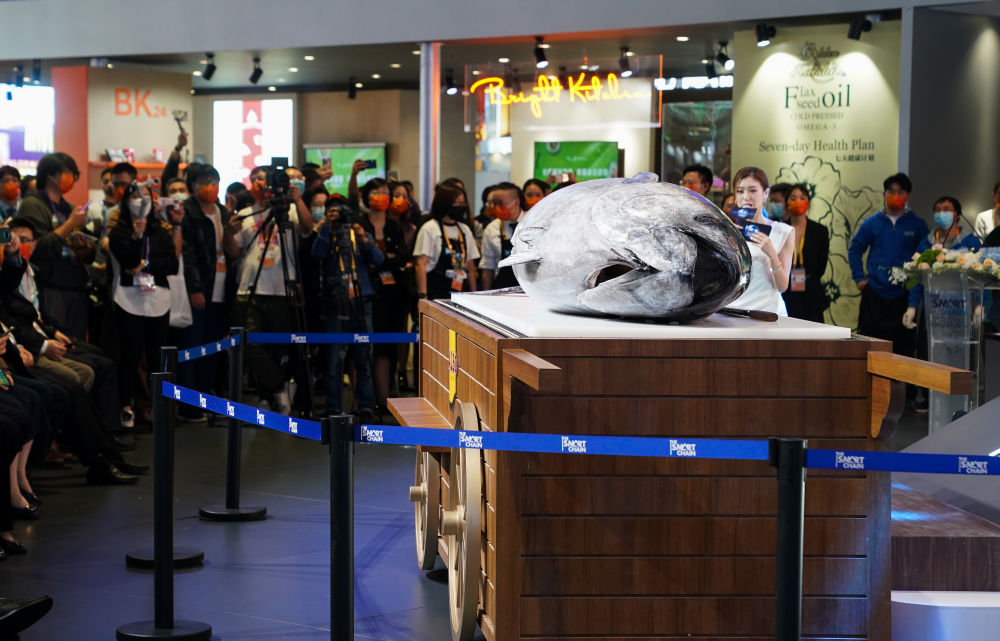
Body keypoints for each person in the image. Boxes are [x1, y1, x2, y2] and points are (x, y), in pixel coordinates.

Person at [224, 165, 314, 414]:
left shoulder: (290, 211)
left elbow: (308, 227)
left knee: (279, 349)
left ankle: (268, 397)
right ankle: (277, 389)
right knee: (251, 344)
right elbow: (233, 252)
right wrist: (229, 233)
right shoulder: (245, 214)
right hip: (249, 287)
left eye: (263, 178)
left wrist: (297, 200)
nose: (259, 183)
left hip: (282, 289)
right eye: (254, 179)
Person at [108, 182, 183, 430]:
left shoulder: (160, 231)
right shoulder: (119, 232)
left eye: (146, 197)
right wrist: (137, 237)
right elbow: (129, 261)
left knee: (157, 356)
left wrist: (147, 264)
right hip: (128, 298)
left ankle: (158, 405)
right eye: (135, 196)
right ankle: (125, 406)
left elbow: (172, 265)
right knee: (129, 355)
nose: (141, 201)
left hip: (158, 298)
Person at [312, 197, 382, 420]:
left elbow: (378, 259)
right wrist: (326, 227)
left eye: (339, 210)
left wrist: (363, 238)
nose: (337, 214)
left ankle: (366, 406)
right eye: (331, 210)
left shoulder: (357, 233)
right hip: (336, 301)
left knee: (364, 358)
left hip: (361, 301)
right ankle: (333, 406)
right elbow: (316, 254)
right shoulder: (327, 234)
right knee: (334, 360)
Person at [848, 172, 929, 356]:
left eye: (900, 192)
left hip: (903, 294)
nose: (895, 196)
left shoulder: (917, 224)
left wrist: (914, 299)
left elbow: (922, 261)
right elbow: (855, 249)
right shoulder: (872, 223)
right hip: (874, 293)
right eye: (891, 191)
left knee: (903, 349)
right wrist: (859, 278)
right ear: (884, 194)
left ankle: (899, 376)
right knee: (870, 346)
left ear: (908, 195)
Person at [16, 152, 92, 339]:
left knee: (78, 344)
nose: (72, 178)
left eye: (74, 174)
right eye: (68, 172)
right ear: (51, 174)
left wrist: (82, 246)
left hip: (76, 284)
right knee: (58, 343)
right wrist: (70, 224)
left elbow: (90, 256)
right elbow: (38, 248)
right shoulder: (32, 204)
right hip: (50, 287)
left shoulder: (69, 207)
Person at [177, 166, 230, 420]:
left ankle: (206, 397)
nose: (210, 186)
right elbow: (188, 255)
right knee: (192, 346)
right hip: (200, 289)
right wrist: (195, 288)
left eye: (214, 181)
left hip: (222, 287)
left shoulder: (223, 212)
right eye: (203, 181)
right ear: (193, 185)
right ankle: (188, 404)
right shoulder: (188, 212)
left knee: (213, 346)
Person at [359, 178, 409, 412]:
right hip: (368, 291)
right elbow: (364, 258)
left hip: (393, 291)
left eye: (385, 192)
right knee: (368, 346)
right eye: (377, 192)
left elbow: (401, 257)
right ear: (367, 196)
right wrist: (385, 258)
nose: (383, 196)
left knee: (389, 345)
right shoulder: (360, 224)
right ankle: (366, 399)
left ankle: (385, 397)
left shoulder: (394, 226)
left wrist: (382, 260)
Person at [902, 196, 982, 329]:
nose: (941, 213)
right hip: (933, 307)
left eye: (946, 209)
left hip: (961, 308)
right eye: (937, 210)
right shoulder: (926, 242)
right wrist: (912, 306)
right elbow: (917, 277)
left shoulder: (970, 242)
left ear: (957, 214)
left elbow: (981, 274)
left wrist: (980, 305)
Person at [727, 167, 795, 315]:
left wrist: (772, 255)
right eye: (740, 191)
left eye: (753, 190)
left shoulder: (783, 231)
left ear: (765, 194)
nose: (746, 197)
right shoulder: (726, 231)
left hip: (767, 314)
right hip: (730, 312)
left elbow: (782, 286)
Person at [414, 184, 480, 301]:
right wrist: (423, 296)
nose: (460, 207)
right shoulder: (430, 228)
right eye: (456, 203)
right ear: (444, 203)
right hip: (436, 291)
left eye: (463, 203)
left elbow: (470, 267)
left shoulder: (464, 229)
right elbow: (420, 265)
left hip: (461, 291)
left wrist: (474, 296)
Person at [780, 184, 830, 323]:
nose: (798, 201)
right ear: (787, 203)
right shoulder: (780, 228)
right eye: (793, 198)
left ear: (808, 202)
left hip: (811, 292)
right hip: (786, 290)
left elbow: (821, 266)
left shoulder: (820, 231)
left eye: (802, 198)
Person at [479, 182, 525, 290]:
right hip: (502, 289)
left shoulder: (532, 222)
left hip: (529, 289)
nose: (496, 208)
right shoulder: (491, 229)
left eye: (501, 204)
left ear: (516, 202)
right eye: (494, 204)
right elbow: (487, 268)